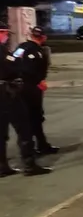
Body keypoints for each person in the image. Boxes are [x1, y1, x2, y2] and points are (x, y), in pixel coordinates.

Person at [1, 25, 51, 175]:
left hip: (10, 89)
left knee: (2, 131)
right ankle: (29, 164)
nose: (6, 36)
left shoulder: (21, 48)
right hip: (7, 91)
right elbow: (13, 65)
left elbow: (16, 59)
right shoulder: (3, 50)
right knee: (24, 127)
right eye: (5, 33)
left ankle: (2, 167)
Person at [14, 27, 58, 156]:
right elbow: (31, 69)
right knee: (33, 117)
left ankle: (41, 145)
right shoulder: (39, 50)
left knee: (34, 117)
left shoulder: (22, 46)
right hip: (32, 87)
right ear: (43, 37)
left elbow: (13, 60)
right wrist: (39, 81)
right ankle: (32, 148)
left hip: (22, 85)